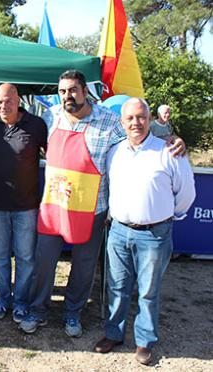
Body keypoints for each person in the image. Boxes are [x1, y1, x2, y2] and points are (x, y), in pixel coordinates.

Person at [20, 70, 186, 338]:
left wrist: (170, 137)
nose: (67, 96)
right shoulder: (50, 118)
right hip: (54, 206)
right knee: (44, 261)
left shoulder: (109, 121)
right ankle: (37, 310)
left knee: (84, 266)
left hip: (92, 209)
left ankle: (72, 313)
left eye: (73, 90)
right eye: (62, 91)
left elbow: (139, 136)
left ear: (85, 91)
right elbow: (18, 124)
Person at [94, 98, 195, 365]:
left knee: (148, 292)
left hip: (154, 235)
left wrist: (166, 216)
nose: (136, 123)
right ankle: (114, 334)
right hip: (117, 232)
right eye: (130, 118)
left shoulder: (169, 151)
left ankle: (144, 341)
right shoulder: (115, 151)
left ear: (149, 119)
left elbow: (186, 192)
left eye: (141, 117)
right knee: (116, 287)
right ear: (122, 122)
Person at [0, 83, 48, 323]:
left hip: (26, 206)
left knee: (25, 257)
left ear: (18, 100)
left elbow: (54, 153)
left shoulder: (36, 125)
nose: (3, 106)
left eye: (8, 101)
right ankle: (2, 298)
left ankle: (21, 301)